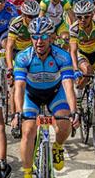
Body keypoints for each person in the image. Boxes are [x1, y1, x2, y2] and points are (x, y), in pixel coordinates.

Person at [12, 17, 79, 178]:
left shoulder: (62, 56)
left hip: (54, 94)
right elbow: (19, 87)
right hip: (31, 95)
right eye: (35, 36)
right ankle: (27, 173)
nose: (39, 41)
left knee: (64, 123)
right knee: (28, 131)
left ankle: (57, 146)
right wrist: (18, 112)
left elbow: (68, 84)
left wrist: (74, 111)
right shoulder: (23, 57)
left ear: (51, 37)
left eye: (43, 36)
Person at [5, 0, 40, 116]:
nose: (33, 19)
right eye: (30, 17)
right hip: (18, 52)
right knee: (16, 85)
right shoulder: (16, 24)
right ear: (24, 15)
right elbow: (9, 47)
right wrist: (10, 67)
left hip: (33, 52)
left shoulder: (40, 23)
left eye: (36, 16)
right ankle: (15, 115)